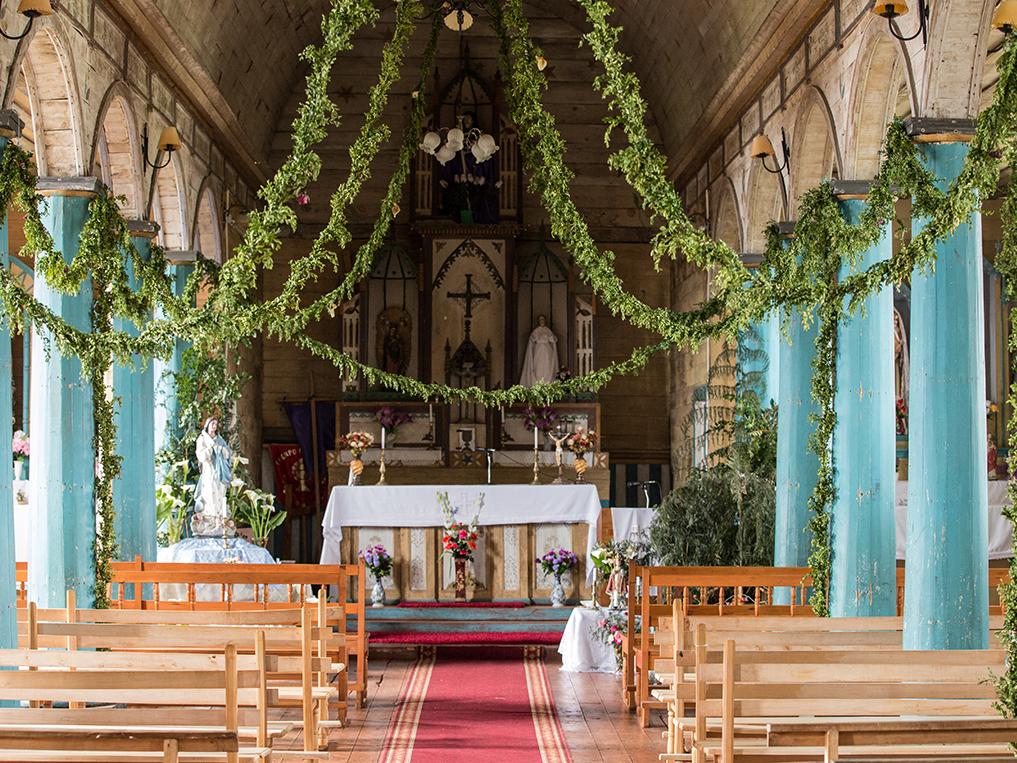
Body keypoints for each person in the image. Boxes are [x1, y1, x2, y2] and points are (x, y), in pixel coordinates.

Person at [194, 417, 233, 532]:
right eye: (212, 424)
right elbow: (201, 456)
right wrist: (210, 448)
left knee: (220, 494)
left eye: (216, 424)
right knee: (209, 494)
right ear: (208, 425)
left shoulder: (219, 439)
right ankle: (209, 522)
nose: (214, 426)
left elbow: (228, 454)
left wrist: (221, 450)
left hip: (219, 472)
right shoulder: (202, 439)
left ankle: (220, 520)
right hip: (209, 470)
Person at [520, 315, 559, 386]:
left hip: (547, 351)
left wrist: (552, 339)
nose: (542, 321)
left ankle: (547, 383)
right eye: (540, 320)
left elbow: (552, 339)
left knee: (548, 366)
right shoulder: (536, 331)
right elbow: (532, 340)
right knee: (538, 367)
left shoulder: (548, 330)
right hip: (538, 351)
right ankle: (538, 382)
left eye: (543, 319)